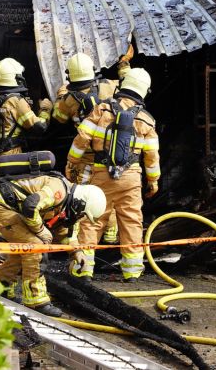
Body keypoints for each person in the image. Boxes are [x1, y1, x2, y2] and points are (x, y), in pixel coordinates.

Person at [67, 68, 160, 282]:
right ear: (144, 91)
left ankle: (83, 270)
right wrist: (153, 181)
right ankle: (132, 272)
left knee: (92, 219)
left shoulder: (102, 109)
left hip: (101, 174)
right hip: (131, 178)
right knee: (131, 221)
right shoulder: (146, 120)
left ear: (123, 85)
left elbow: (82, 138)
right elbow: (152, 156)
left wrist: (72, 162)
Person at [0, 175, 106, 317]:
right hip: (1, 207)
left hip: (7, 207)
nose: (79, 217)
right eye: (82, 213)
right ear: (80, 202)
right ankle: (36, 301)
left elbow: (64, 233)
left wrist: (77, 252)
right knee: (36, 247)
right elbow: (30, 206)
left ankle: (0, 288)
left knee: (24, 251)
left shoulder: (65, 203)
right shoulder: (58, 190)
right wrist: (41, 231)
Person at [52, 47, 133, 244]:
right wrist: (124, 65)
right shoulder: (109, 86)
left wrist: (61, 94)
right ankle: (110, 233)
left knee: (81, 194)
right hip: (109, 152)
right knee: (108, 191)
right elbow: (129, 85)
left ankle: (78, 237)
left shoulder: (69, 100)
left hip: (84, 154)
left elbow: (58, 117)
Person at [0, 58, 52, 158]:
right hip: (10, 155)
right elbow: (40, 127)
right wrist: (45, 110)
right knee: (49, 159)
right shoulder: (16, 101)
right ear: (15, 77)